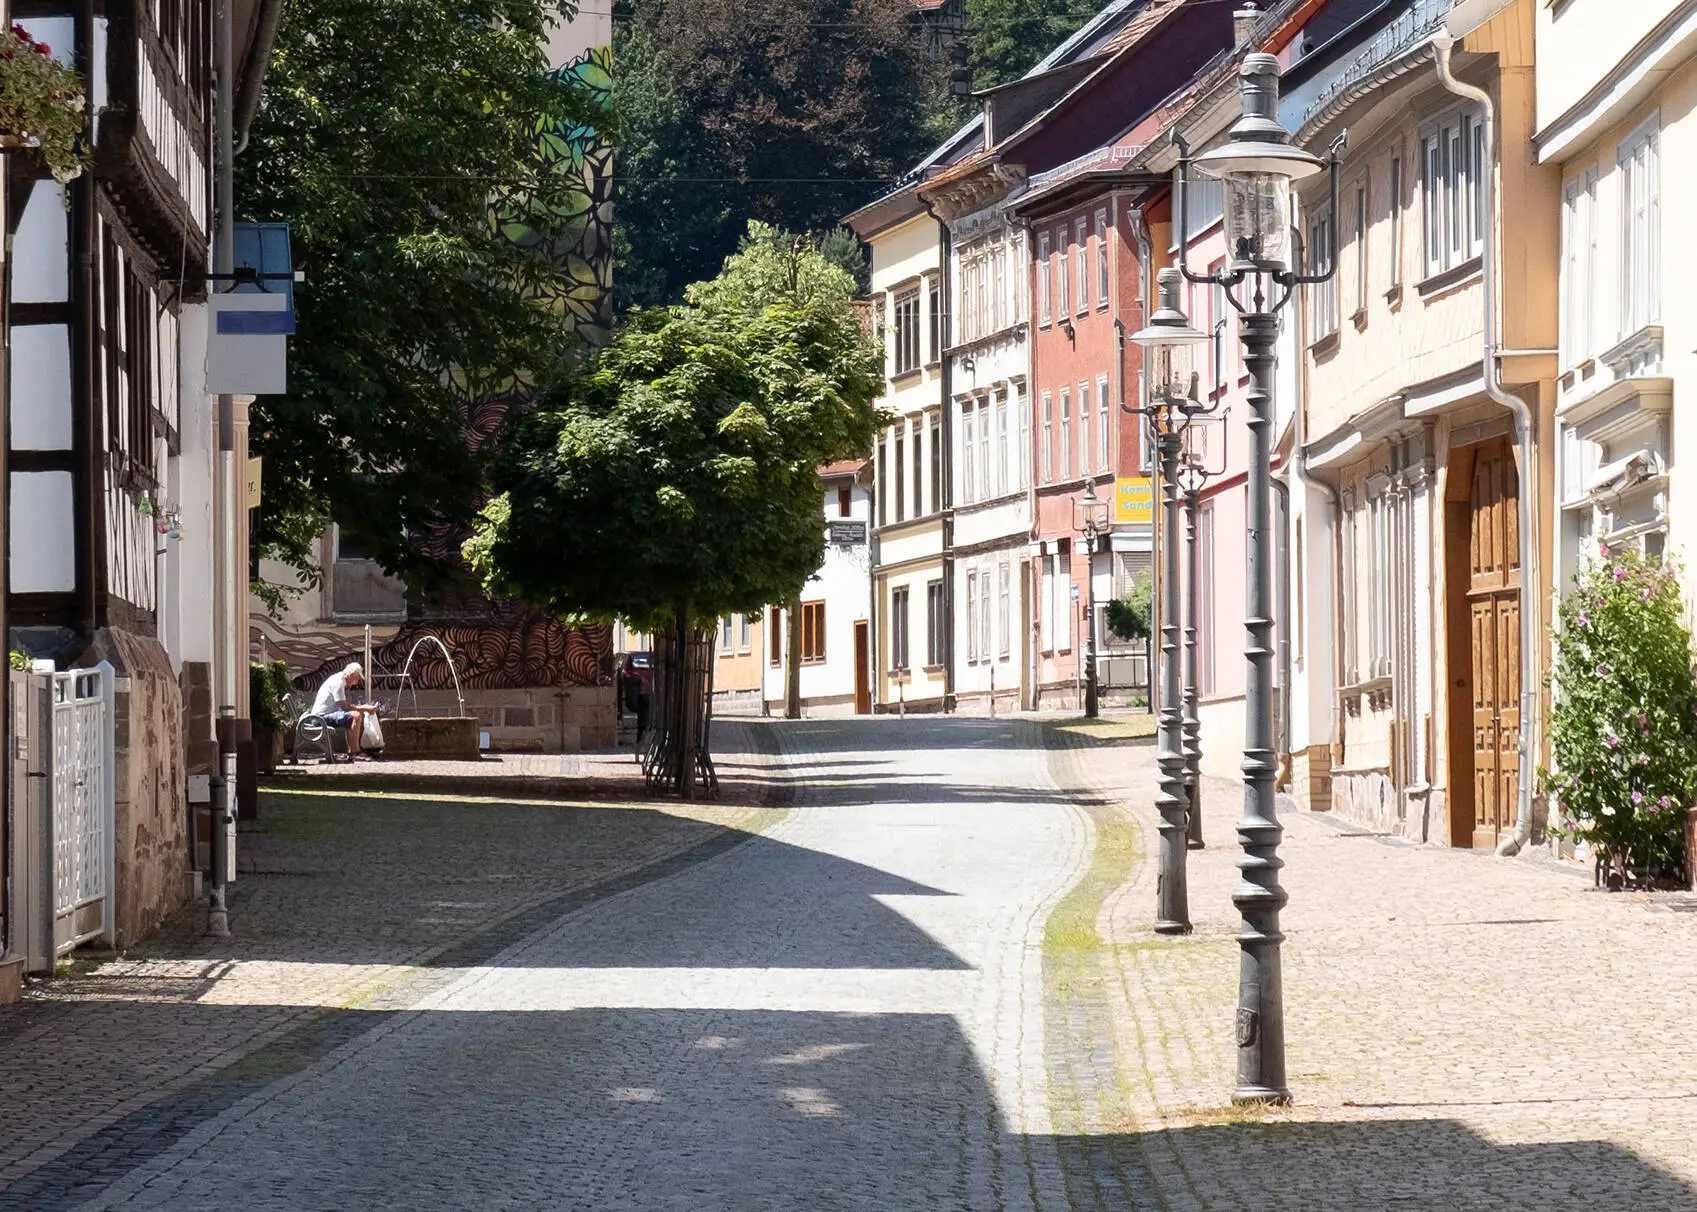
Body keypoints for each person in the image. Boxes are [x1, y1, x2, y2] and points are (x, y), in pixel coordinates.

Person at [312, 662, 377, 759]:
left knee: (351, 716)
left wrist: (361, 708)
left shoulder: (338, 679)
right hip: (320, 718)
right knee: (355, 716)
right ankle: (355, 752)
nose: (358, 681)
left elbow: (343, 706)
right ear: (351, 674)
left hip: (321, 716)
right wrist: (364, 708)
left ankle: (352, 751)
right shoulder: (339, 682)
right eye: (357, 677)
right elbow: (344, 706)